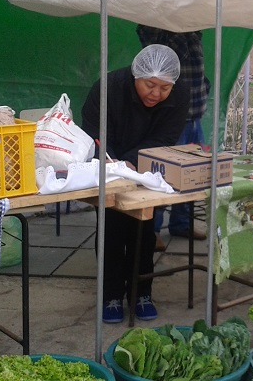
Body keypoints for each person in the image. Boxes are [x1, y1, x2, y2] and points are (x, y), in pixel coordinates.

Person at [81, 44, 189, 324]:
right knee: (111, 228)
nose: (156, 94)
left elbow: (165, 136)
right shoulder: (107, 88)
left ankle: (142, 292)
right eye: (150, 85)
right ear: (135, 75)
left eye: (164, 88)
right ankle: (111, 295)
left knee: (144, 228)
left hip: (148, 167)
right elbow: (94, 130)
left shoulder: (180, 96)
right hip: (109, 165)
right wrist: (113, 162)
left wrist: (132, 162)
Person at [136, 25, 209, 245]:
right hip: (172, 119)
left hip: (195, 115)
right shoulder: (163, 32)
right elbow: (146, 32)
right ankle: (152, 229)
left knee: (193, 174)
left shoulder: (193, 33)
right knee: (162, 175)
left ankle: (181, 224)